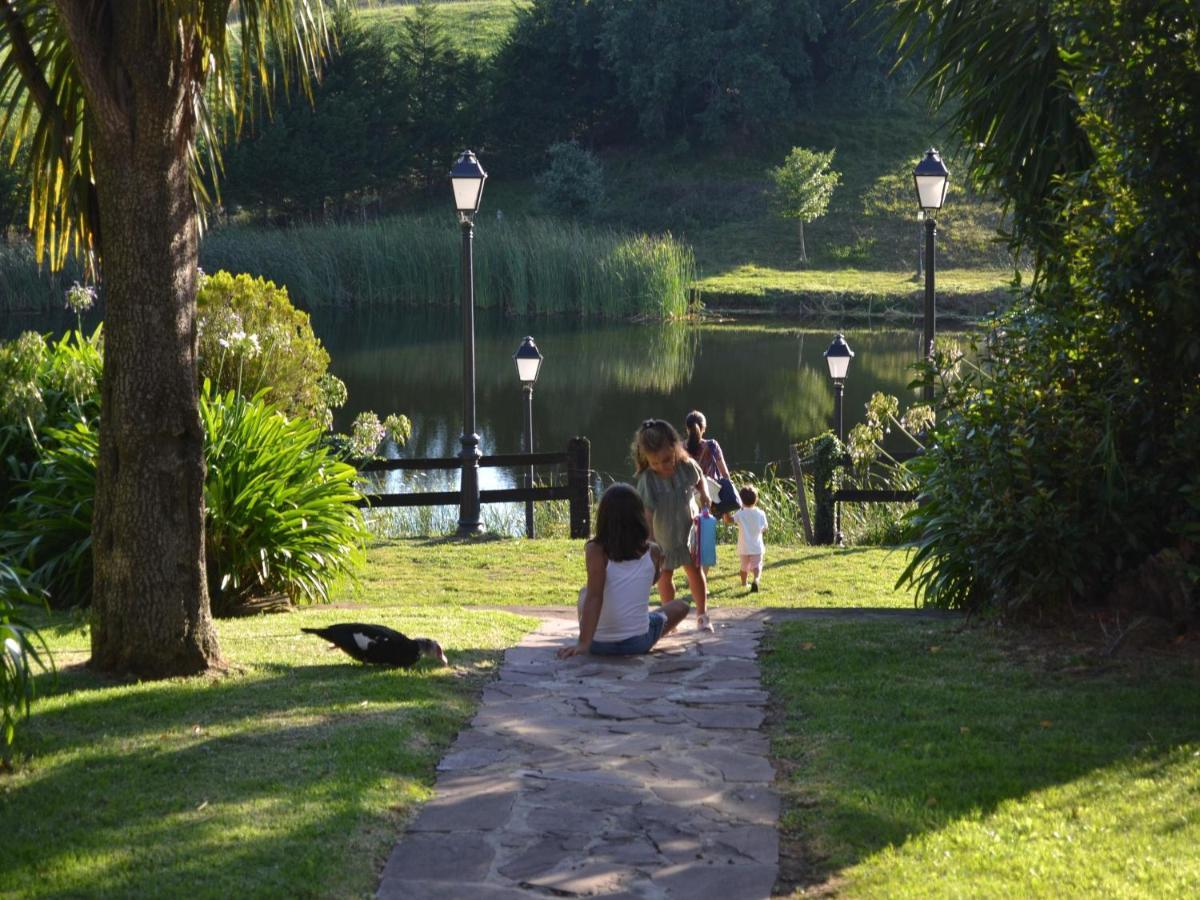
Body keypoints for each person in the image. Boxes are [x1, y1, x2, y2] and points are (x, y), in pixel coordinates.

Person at [556, 483, 691, 658]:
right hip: (638, 643)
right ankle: (638, 625)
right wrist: (657, 566)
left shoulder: (595, 550)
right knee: (681, 606)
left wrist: (583, 644)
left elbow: (595, 596)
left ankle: (592, 634)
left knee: (586, 593)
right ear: (639, 517)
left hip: (598, 645)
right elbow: (650, 582)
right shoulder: (653, 551)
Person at [632, 419, 714, 632]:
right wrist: (649, 540)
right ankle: (670, 618)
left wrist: (704, 493)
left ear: (675, 447)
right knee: (664, 576)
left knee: (695, 572)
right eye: (655, 463)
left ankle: (702, 614)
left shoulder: (685, 466)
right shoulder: (648, 480)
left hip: (688, 532)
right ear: (646, 459)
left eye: (667, 460)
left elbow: (700, 479)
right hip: (663, 536)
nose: (662, 467)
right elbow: (647, 512)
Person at [684, 410, 740, 516]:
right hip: (710, 500)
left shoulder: (680, 448)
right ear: (704, 428)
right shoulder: (712, 446)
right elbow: (725, 475)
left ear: (687, 429)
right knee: (707, 529)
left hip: (687, 501)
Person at [732, 485, 768, 592]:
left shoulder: (740, 513)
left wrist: (725, 511)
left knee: (744, 567)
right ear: (756, 499)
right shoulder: (761, 513)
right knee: (757, 566)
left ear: (741, 500)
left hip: (743, 547)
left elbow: (729, 520)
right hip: (757, 547)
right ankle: (756, 579)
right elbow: (765, 527)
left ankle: (744, 583)